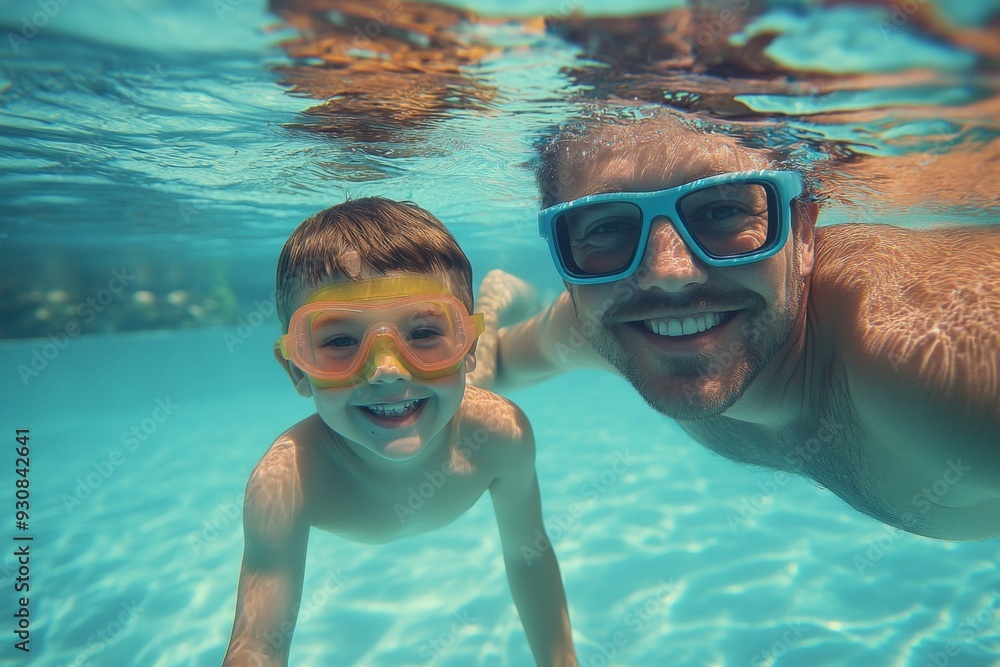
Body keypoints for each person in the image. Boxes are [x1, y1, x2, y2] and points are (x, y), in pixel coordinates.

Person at [474, 110, 1000, 542]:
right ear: (565, 263)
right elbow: (492, 364)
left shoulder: (934, 357)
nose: (668, 274)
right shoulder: (602, 321)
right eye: (608, 226)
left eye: (721, 211)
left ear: (804, 234)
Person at [222, 198, 577, 666]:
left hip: (464, 394)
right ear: (297, 371)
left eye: (425, 332)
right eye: (341, 341)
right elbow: (259, 645)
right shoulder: (288, 482)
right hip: (436, 393)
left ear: (462, 344)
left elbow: (528, 555)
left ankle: (500, 294)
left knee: (487, 367)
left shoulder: (498, 433)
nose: (386, 370)